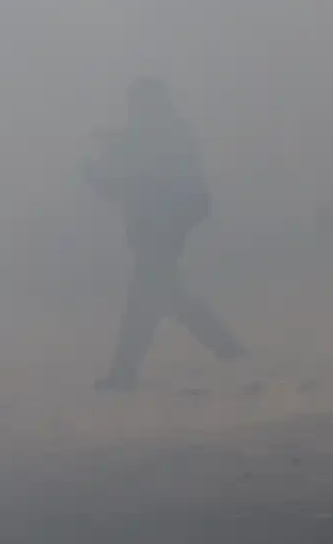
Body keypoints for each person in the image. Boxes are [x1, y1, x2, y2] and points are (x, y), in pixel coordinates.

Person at [85, 80, 245, 392]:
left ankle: (124, 373)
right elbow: (123, 188)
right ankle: (230, 350)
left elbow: (140, 184)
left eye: (139, 104)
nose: (135, 111)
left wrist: (102, 172)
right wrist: (100, 174)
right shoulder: (155, 139)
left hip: (160, 233)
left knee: (143, 302)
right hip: (154, 233)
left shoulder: (164, 140)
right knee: (171, 298)